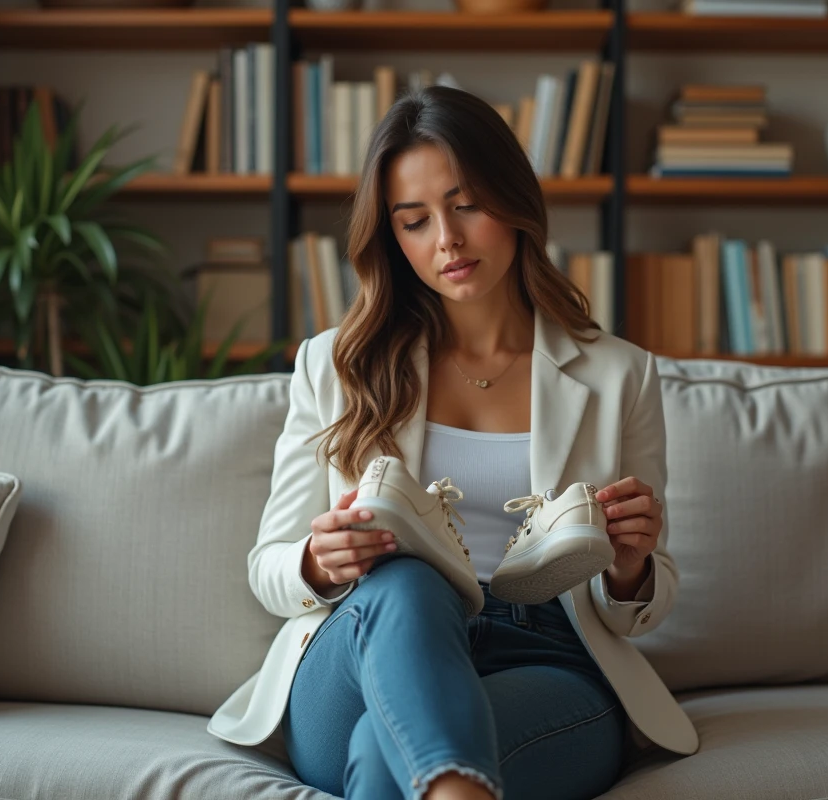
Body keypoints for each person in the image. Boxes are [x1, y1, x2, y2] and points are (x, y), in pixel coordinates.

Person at [205, 85, 698, 800]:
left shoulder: (620, 373)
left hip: (548, 655)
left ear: (512, 199)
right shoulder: (335, 363)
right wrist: (317, 562)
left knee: (385, 750)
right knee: (407, 578)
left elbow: (644, 607)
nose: (447, 241)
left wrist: (630, 566)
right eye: (414, 221)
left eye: (466, 205)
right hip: (365, 648)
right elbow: (269, 568)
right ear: (392, 238)